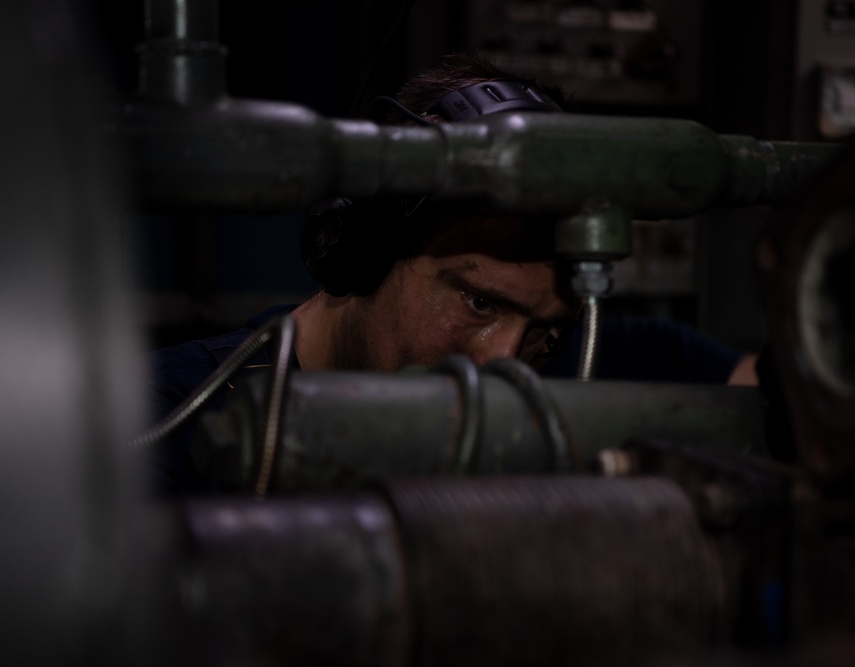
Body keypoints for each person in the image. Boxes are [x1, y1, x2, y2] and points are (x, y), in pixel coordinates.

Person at [146, 52, 752, 494]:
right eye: (479, 304)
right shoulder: (165, 419)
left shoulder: (543, 366)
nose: (502, 366)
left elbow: (742, 385)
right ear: (366, 252)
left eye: (546, 333)